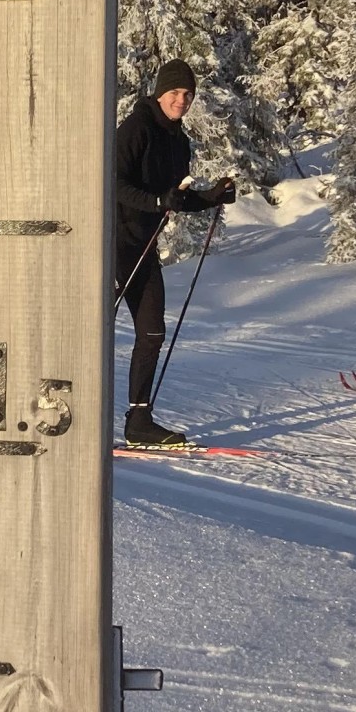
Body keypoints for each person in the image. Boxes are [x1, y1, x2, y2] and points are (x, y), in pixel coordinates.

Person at [112, 58, 236, 447]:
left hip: (143, 247)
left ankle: (139, 420)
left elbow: (174, 200)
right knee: (89, 331)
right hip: (108, 242)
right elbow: (109, 182)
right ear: (159, 93)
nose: (181, 100)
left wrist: (212, 197)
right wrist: (155, 200)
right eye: (175, 93)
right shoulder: (136, 129)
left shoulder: (178, 139)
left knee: (152, 332)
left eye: (187, 94)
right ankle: (74, 413)